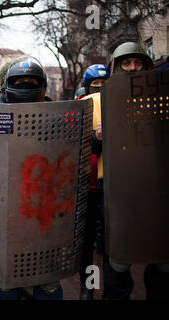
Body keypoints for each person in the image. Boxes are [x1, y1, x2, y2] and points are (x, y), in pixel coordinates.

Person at [99, 42, 169, 300]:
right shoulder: (101, 99)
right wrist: (99, 133)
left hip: (157, 190)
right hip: (120, 192)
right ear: (116, 68)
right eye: (126, 63)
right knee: (119, 261)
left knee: (163, 261)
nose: (132, 68)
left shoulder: (161, 97)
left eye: (138, 63)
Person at [0, 56, 62, 300]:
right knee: (5, 282)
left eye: (31, 81)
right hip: (5, 211)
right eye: (19, 81)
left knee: (47, 282)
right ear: (7, 85)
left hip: (44, 212)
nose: (25, 85)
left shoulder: (59, 117)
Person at [77, 64, 110, 300]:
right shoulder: (79, 107)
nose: (99, 89)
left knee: (111, 242)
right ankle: (87, 287)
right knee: (86, 242)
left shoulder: (121, 104)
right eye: (95, 85)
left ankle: (111, 288)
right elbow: (72, 142)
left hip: (113, 183)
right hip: (88, 184)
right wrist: (93, 138)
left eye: (104, 84)